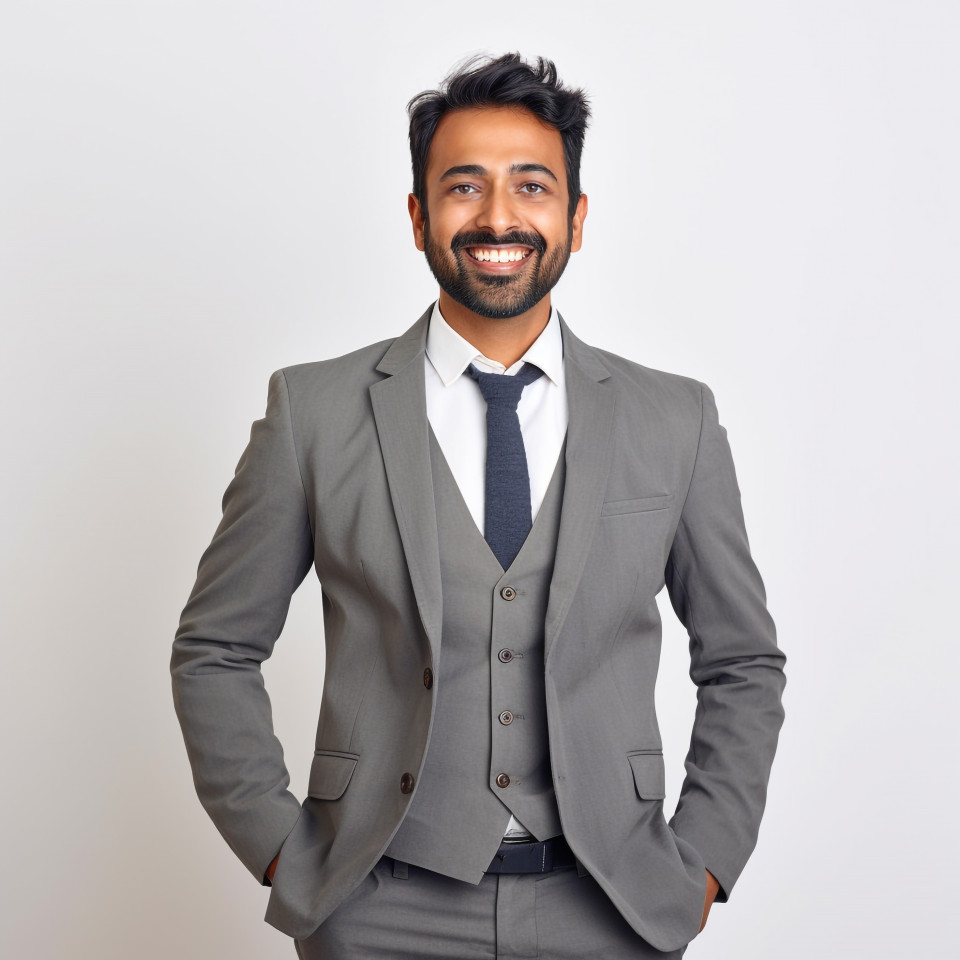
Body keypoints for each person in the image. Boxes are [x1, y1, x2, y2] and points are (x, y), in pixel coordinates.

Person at [172, 53, 785, 959]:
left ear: (575, 217)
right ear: (419, 216)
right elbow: (216, 649)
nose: (499, 217)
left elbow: (742, 660)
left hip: (612, 906)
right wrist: (280, 852)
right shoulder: (315, 410)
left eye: (531, 186)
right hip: (376, 907)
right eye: (465, 187)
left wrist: (702, 863)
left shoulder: (674, 418)